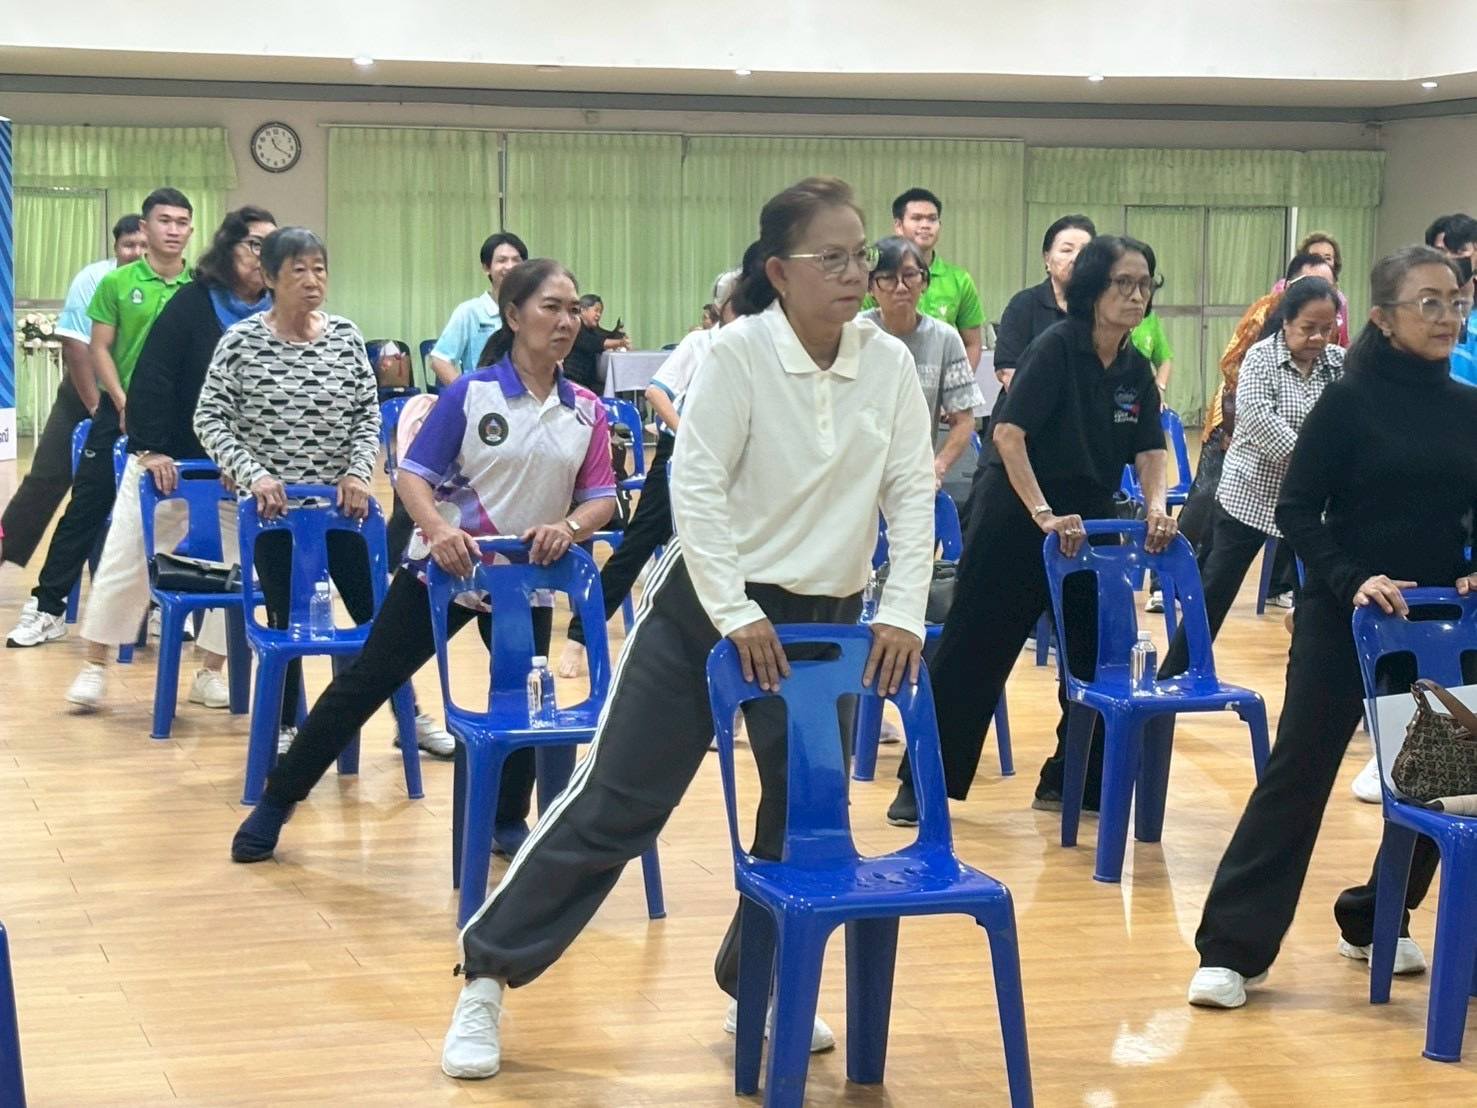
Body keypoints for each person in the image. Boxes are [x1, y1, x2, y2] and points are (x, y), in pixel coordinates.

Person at [436, 176, 934, 1081]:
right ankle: (487, 974)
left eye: (860, 255)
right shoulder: (738, 354)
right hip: (706, 608)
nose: (855, 273)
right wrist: (736, 611)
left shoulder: (887, 363)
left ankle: (757, 979)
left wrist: (900, 608)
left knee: (804, 814)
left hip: (824, 616)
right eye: (831, 257)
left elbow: (909, 487)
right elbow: (693, 490)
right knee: (618, 802)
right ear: (779, 271)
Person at [227, 256, 620, 865]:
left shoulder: (587, 410)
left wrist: (568, 529)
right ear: (514, 316)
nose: (566, 321)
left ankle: (505, 819)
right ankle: (277, 801)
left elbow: (601, 498)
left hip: (525, 581)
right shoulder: (469, 394)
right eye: (551, 308)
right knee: (367, 683)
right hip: (444, 572)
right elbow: (411, 475)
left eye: (573, 310)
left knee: (522, 699)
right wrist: (437, 530)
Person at [1187, 245, 1477, 1009]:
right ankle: (1231, 949)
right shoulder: (1346, 403)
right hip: (1344, 614)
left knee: (1443, 787)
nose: (1445, 316)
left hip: (1433, 624)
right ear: (1382, 317)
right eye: (1427, 303)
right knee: (1299, 776)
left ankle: (1376, 919)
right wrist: (1352, 579)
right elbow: (1294, 509)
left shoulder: (1467, 407)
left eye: (1454, 301)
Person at [887, 235, 1174, 827]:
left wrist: (1155, 506)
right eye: (1123, 283)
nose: (1136, 295)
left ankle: (1073, 781)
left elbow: (1150, 448)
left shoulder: (1135, 369)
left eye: (1144, 284)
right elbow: (1007, 435)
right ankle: (924, 783)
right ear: (1092, 288)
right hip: (1017, 513)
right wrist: (1043, 514)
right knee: (975, 652)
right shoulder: (1056, 347)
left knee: (1098, 656)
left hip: (1087, 524)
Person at [62, 207, 276, 711]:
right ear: (229, 247)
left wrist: (247, 461)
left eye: (272, 247)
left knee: (242, 566)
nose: (262, 256)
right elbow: (153, 377)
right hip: (169, 457)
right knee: (127, 554)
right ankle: (95, 664)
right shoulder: (194, 301)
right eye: (254, 244)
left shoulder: (274, 314)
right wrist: (151, 449)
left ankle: (210, 671)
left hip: (236, 468)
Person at [192, 227, 382, 755]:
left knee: (378, 621)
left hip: (341, 510)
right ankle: (283, 729)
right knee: (287, 620)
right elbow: (209, 418)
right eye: (298, 270)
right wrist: (253, 474)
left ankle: (408, 715)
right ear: (270, 278)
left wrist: (358, 473)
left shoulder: (345, 337)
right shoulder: (242, 342)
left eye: (319, 268)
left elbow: (368, 416)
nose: (312, 279)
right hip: (274, 514)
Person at [7, 188, 195, 648]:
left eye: (181, 222)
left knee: (178, 512)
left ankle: (162, 609)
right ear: (145, 227)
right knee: (86, 506)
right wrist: (122, 402)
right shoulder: (115, 283)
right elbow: (99, 348)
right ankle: (48, 607)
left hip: (179, 419)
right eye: (164, 221)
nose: (173, 230)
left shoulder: (199, 289)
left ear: (191, 230)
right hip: (120, 409)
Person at [1150, 275, 1343, 687]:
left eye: (1326, 329)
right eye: (1308, 327)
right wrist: (1318, 464)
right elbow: (1258, 420)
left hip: (1309, 506)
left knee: (1322, 596)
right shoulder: (1260, 358)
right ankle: (1173, 679)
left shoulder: (1337, 364)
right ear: (1286, 321)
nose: (1317, 338)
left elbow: (1348, 420)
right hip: (1249, 496)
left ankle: (1310, 683)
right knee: (1215, 590)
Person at [555, 267, 743, 680]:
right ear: (723, 307)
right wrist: (689, 435)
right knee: (638, 542)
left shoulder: (760, 350)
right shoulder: (700, 343)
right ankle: (579, 636)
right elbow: (657, 392)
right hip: (683, 454)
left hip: (737, 461)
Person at [0, 215, 146, 569]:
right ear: (115, 247)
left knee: (123, 491)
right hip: (84, 392)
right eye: (129, 245)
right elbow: (76, 348)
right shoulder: (94, 279)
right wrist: (98, 410)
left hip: (136, 398)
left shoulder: (166, 283)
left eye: (143, 245)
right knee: (46, 479)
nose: (136, 252)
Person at [860, 235, 983, 489]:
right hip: (857, 475)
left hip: (913, 477)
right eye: (888, 278)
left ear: (924, 282)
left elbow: (964, 420)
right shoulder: (853, 333)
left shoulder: (945, 338)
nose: (901, 287)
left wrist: (938, 466)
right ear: (870, 286)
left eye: (910, 275)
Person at [888, 187, 985, 370]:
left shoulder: (960, 279)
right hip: (891, 378)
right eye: (917, 218)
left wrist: (958, 382)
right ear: (899, 226)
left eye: (932, 219)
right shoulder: (881, 278)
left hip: (943, 381)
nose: (925, 225)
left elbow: (972, 344)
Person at [428, 232, 529, 386]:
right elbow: (439, 360)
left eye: (516, 260)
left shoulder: (533, 310)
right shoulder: (470, 311)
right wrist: (467, 393)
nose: (510, 266)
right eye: (502, 260)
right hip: (485, 397)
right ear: (487, 268)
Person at [1271, 233, 1350, 345]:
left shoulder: (1340, 299)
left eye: (1328, 258)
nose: (1321, 261)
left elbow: (1343, 340)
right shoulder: (1283, 289)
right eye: (1315, 256)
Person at [561, 294, 630, 392]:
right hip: (573, 381)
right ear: (583, 310)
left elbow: (605, 336)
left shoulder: (592, 329)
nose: (599, 315)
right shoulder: (576, 327)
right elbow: (595, 343)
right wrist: (620, 342)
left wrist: (618, 334)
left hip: (588, 381)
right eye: (596, 310)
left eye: (600, 312)